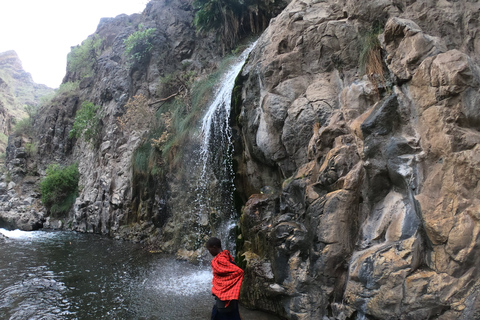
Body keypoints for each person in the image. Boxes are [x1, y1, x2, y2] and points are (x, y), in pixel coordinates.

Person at [206, 237, 244, 320]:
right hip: (230, 294)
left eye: (209, 250)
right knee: (234, 314)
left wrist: (223, 286)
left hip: (223, 296)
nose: (210, 252)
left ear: (214, 248)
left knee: (222, 315)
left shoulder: (219, 261)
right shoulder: (227, 256)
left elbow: (238, 271)